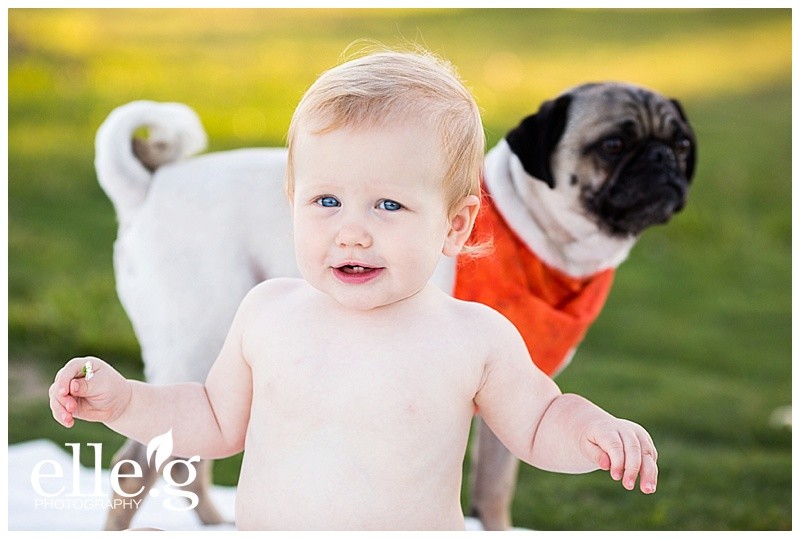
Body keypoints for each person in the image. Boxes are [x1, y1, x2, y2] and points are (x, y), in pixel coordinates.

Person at [49, 48, 658, 531]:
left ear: (455, 226)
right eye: (327, 201)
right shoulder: (267, 314)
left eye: (389, 204)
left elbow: (538, 421)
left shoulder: (474, 336)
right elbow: (209, 417)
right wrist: (126, 401)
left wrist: (590, 433)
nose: (353, 233)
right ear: (293, 205)